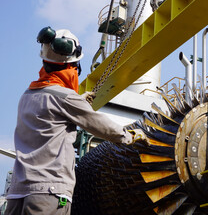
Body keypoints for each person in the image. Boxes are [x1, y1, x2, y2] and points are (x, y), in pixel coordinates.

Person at [5, 27, 134, 215]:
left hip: (17, 193)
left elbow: (48, 113)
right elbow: (98, 124)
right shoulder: (65, 98)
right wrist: (129, 136)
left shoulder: (27, 95)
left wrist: (79, 100)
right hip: (49, 192)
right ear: (72, 66)